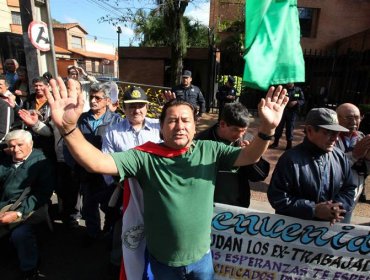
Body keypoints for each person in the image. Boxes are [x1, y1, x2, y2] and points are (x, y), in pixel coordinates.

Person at [45, 77, 287, 279]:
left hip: (202, 260)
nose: (179, 126)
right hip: (163, 262)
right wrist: (68, 128)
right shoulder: (145, 157)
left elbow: (249, 156)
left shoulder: (210, 150)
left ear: (195, 126)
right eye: (172, 120)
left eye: (185, 120)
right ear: (161, 127)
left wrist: (268, 129)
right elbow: (97, 162)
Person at [102, 86, 161, 276]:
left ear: (147, 107)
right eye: (131, 106)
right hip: (124, 192)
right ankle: (117, 267)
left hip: (155, 192)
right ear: (124, 109)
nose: (137, 110)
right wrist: (117, 182)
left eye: (141, 105)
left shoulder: (158, 127)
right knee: (124, 233)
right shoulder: (113, 131)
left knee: (155, 231)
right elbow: (105, 162)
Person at [268, 108, 356, 225]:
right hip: (293, 232)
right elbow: (278, 197)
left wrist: (337, 207)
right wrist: (313, 210)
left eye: (337, 133)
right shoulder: (290, 159)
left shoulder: (339, 156)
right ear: (310, 130)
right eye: (328, 132)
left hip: (327, 231)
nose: (335, 138)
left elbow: (349, 188)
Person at [64, 82, 122, 243]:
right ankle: (92, 233)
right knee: (89, 205)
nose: (94, 101)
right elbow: (69, 144)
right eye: (92, 97)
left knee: (109, 206)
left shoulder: (116, 120)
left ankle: (110, 234)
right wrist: (75, 166)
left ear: (107, 101)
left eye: (98, 98)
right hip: (86, 171)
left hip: (107, 173)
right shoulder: (81, 119)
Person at [0, 129, 55, 279]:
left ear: (31, 144)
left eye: (20, 145)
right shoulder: (6, 158)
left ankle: (30, 269)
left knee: (21, 234)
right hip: (4, 205)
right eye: (11, 146)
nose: (15, 149)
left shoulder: (41, 162)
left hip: (26, 207)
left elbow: (42, 194)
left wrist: (18, 213)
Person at [195, 102, 269, 207]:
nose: (239, 135)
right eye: (235, 130)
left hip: (237, 206)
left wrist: (251, 158)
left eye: (243, 131)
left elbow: (259, 176)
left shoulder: (247, 140)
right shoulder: (202, 140)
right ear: (222, 124)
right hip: (207, 204)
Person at [336, 103, 370, 204]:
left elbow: (366, 171)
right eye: (349, 118)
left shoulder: (361, 137)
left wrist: (368, 159)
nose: (354, 122)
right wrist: (354, 154)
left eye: (357, 118)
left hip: (354, 194)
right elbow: (328, 166)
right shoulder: (330, 137)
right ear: (337, 118)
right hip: (334, 194)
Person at [270, 82, 305, 150]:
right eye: (287, 82)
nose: (288, 83)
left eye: (290, 81)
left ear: (293, 82)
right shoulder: (283, 89)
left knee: (290, 128)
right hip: (282, 111)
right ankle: (275, 143)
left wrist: (296, 102)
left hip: (292, 113)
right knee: (279, 127)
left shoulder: (298, 90)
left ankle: (289, 145)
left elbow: (302, 100)